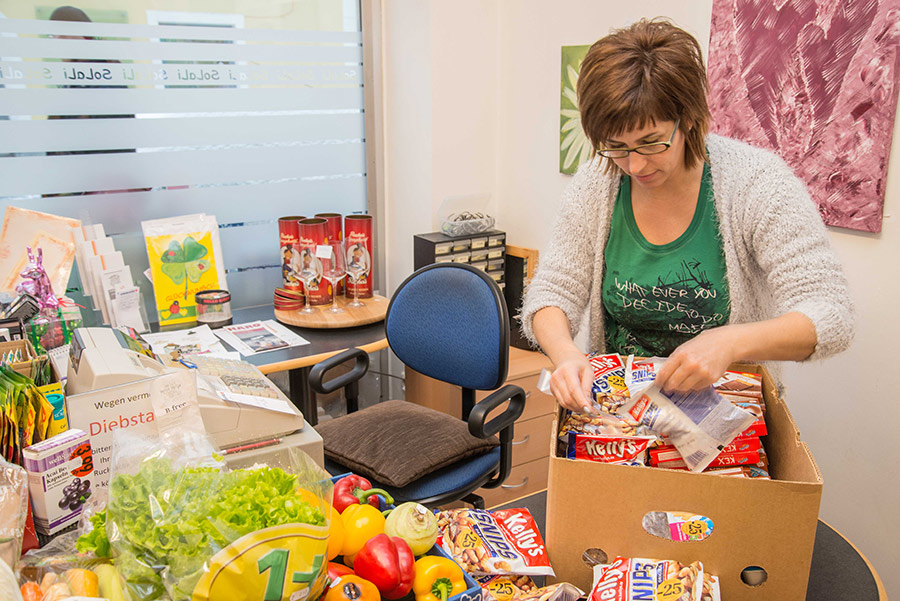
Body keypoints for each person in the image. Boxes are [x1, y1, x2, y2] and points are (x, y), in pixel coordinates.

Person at [520, 18, 854, 414]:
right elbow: (552, 293)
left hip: (727, 419)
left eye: (651, 141)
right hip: (621, 415)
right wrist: (566, 354)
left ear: (690, 117)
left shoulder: (757, 184)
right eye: (616, 146)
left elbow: (831, 315)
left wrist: (729, 342)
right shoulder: (598, 182)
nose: (635, 165)